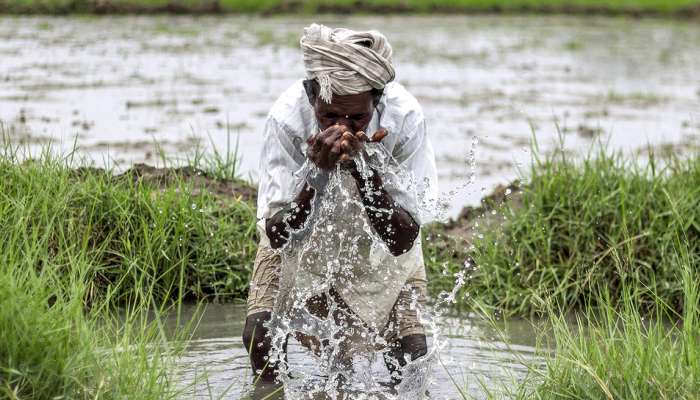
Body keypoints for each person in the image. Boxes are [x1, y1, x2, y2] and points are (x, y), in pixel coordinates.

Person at [242, 23, 438, 389]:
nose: (344, 130)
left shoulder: (405, 120)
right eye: (329, 117)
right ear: (311, 96)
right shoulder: (286, 120)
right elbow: (278, 236)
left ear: (377, 102)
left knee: (412, 354)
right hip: (302, 237)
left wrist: (362, 171)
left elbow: (403, 239)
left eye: (357, 119)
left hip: (380, 244)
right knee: (260, 337)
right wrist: (316, 175)